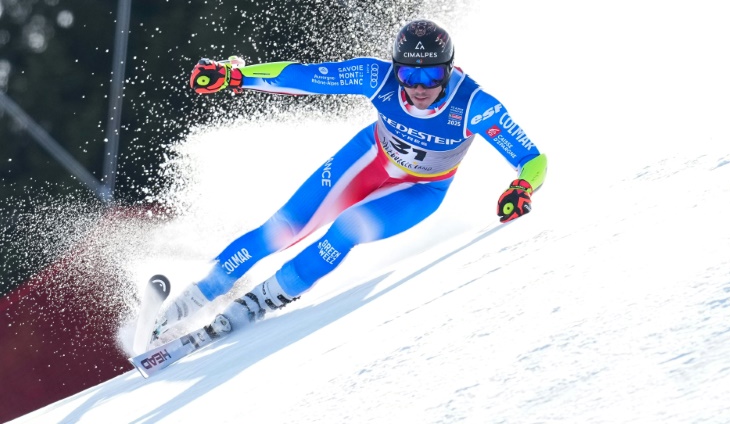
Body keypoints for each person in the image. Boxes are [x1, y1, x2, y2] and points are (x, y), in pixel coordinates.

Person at [151, 19, 547, 343]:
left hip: (420, 190)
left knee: (347, 228)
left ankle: (261, 302)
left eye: (432, 74)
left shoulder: (475, 105)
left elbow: (531, 158)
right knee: (282, 228)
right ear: (396, 68)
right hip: (368, 158)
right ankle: (185, 304)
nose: (421, 87)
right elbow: (301, 79)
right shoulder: (376, 77)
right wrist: (236, 77)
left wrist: (522, 187)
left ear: (450, 69)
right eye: (410, 73)